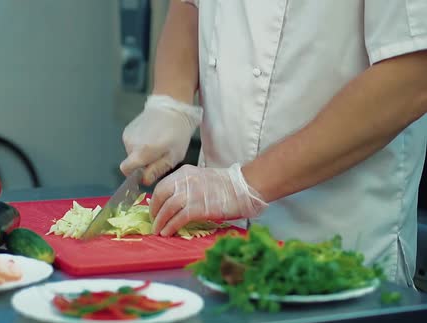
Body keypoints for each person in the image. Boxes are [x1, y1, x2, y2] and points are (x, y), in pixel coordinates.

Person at [119, 0, 427, 287]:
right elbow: (189, 5)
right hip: (214, 235)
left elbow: (413, 75)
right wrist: (171, 100)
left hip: (335, 239)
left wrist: (243, 184)